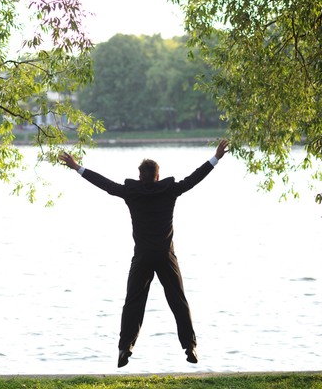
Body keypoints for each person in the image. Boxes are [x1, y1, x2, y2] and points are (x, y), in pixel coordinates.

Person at [59, 140, 228, 368]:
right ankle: (190, 346)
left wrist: (77, 167)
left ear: (140, 177)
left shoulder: (132, 192)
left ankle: (125, 347)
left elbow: (106, 184)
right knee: (178, 301)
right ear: (158, 176)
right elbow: (194, 179)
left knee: (133, 303)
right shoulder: (169, 190)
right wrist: (215, 157)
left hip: (142, 257)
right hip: (166, 256)